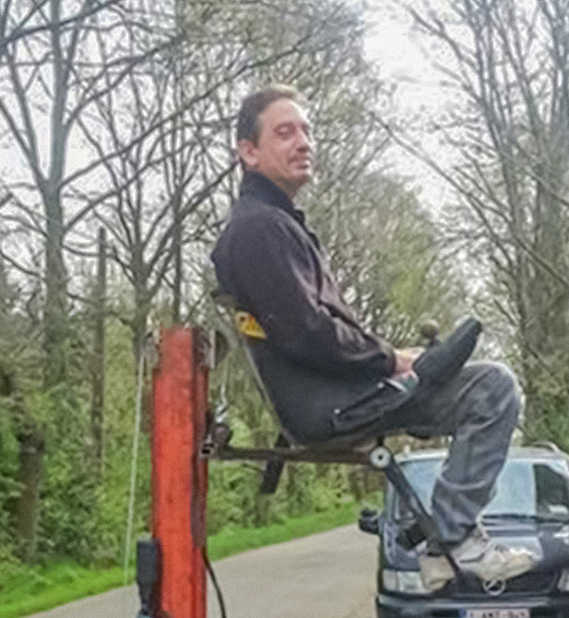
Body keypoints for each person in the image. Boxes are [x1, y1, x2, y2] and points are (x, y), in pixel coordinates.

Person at [211, 85, 538, 591]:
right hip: (331, 407)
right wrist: (390, 362)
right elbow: (307, 333)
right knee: (491, 388)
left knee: (460, 372)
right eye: (284, 132)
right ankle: (452, 539)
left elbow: (313, 328)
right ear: (247, 151)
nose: (303, 142)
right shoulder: (258, 230)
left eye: (306, 130)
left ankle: (445, 534)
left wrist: (399, 359)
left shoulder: (275, 225)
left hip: (335, 395)